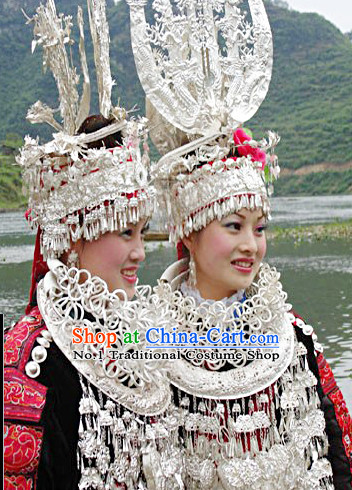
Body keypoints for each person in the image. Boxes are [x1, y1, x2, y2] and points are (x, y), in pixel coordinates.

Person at [127, 0, 352, 487]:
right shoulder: (144, 339)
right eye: (233, 226)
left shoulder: (294, 339)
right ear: (188, 229)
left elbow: (338, 459)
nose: (252, 244)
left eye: (260, 227)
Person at [4, 1, 168, 488]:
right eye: (123, 232)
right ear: (74, 238)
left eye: (141, 233)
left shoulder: (142, 334)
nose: (139, 253)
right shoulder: (28, 357)